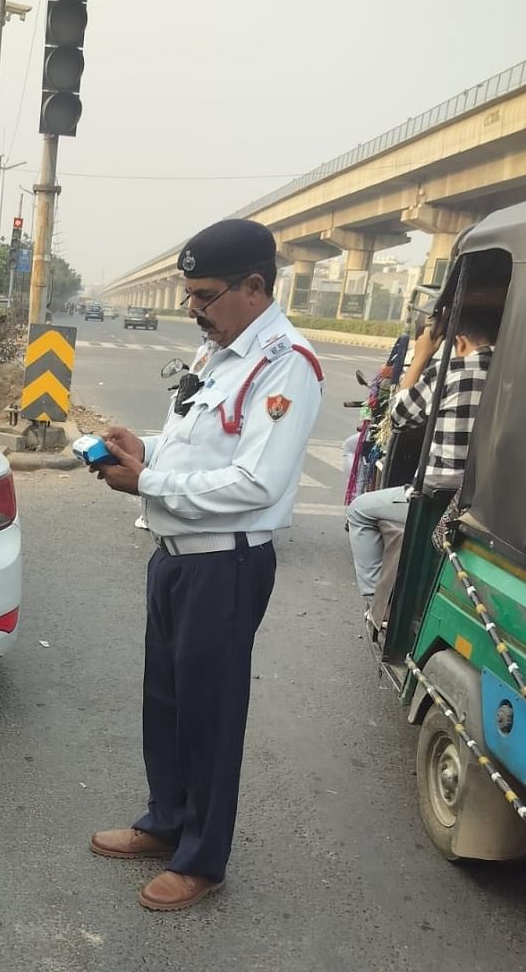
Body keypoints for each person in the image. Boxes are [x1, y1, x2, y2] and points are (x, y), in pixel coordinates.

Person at [87, 219, 323, 911]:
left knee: (210, 714)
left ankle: (202, 859)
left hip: (226, 564)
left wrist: (147, 483)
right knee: (165, 702)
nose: (192, 308)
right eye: (188, 294)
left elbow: (257, 482)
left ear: (254, 287)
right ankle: (165, 821)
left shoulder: (286, 362)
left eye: (203, 295)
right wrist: (145, 449)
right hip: (174, 557)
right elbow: (197, 443)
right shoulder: (219, 352)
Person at [346, 306, 497, 613]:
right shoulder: (509, 377)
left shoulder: (450, 372)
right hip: (488, 497)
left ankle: (376, 602)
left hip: (439, 494)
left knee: (359, 510)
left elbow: (398, 418)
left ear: (460, 341)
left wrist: (420, 356)